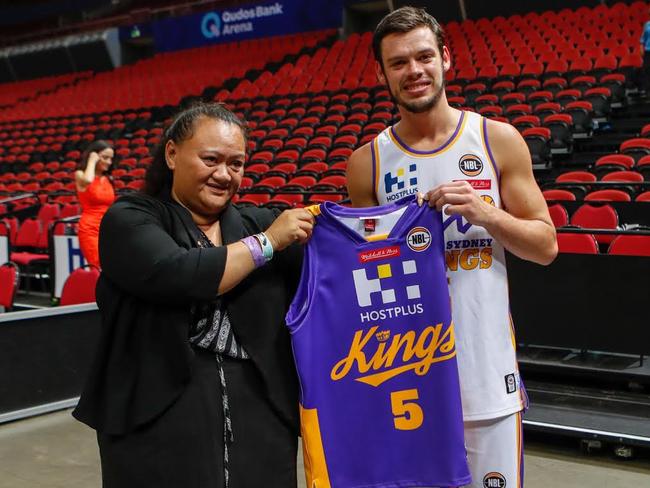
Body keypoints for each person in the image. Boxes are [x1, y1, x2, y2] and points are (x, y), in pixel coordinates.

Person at [346, 7, 557, 488]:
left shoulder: (495, 139)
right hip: (409, 378)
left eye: (424, 56)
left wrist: (486, 213)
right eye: (398, 63)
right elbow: (365, 275)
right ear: (381, 73)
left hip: (487, 373)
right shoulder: (367, 164)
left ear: (445, 59)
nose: (414, 71)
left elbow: (546, 246)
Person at [72, 103, 314, 488]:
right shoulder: (130, 218)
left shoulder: (258, 220)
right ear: (171, 154)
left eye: (236, 164)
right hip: (153, 426)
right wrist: (267, 244)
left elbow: (338, 258)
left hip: (261, 429)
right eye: (211, 159)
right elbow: (179, 274)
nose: (224, 175)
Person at [75, 140, 116, 268]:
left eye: (111, 158)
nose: (109, 162)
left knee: (113, 267)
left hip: (108, 228)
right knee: (99, 266)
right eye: (105, 157)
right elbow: (88, 180)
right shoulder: (80, 175)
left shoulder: (108, 179)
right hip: (90, 229)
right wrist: (92, 161)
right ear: (94, 155)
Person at [640, 12, 650, 94]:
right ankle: (646, 88)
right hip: (647, 50)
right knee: (646, 69)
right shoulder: (647, 24)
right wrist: (641, 47)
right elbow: (643, 37)